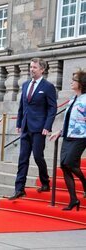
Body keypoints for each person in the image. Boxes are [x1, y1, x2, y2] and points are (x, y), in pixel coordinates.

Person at [8, 58, 57, 200]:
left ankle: (45, 182)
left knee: (37, 156)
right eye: (31, 67)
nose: (32, 69)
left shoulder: (48, 86)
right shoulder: (25, 85)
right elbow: (22, 106)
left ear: (42, 69)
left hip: (39, 128)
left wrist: (47, 126)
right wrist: (18, 123)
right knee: (23, 158)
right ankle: (19, 189)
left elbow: (52, 108)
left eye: (35, 67)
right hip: (25, 127)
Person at [50, 69, 86, 211]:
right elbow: (69, 120)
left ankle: (84, 183)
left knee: (70, 163)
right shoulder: (73, 99)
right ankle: (73, 200)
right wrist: (60, 131)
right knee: (64, 166)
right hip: (68, 136)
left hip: (81, 136)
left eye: (74, 80)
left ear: (82, 83)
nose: (71, 82)